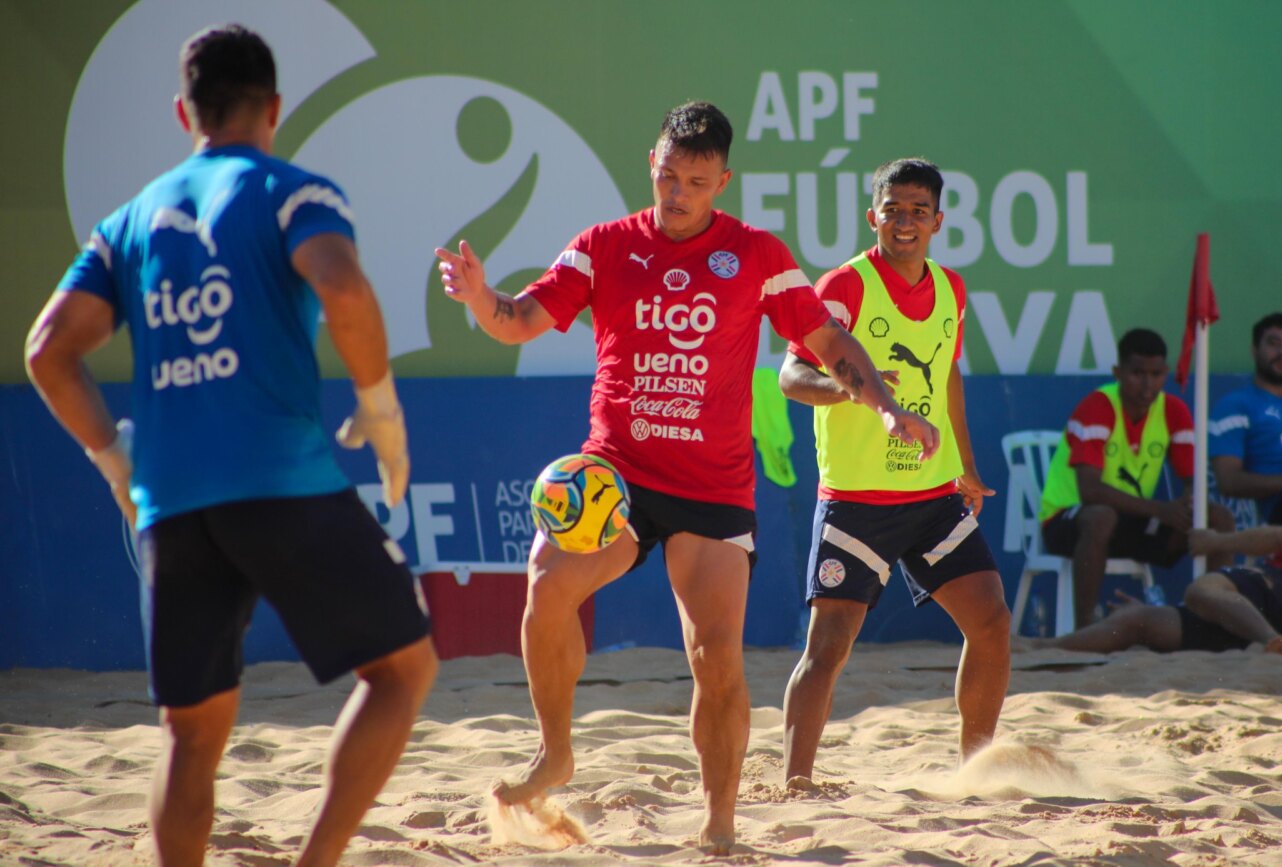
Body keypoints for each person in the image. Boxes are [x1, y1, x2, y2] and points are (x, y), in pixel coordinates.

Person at [435, 102, 937, 853]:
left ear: (721, 182)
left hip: (711, 488)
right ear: (652, 163)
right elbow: (520, 317)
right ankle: (555, 751)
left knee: (715, 656)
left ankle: (721, 821)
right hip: (618, 476)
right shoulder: (604, 246)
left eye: (695, 182)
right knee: (545, 580)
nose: (677, 193)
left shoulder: (758, 255)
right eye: (668, 176)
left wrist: (888, 407)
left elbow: (829, 338)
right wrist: (480, 299)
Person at [24, 25, 436, 867]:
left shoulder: (129, 220)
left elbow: (48, 351)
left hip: (172, 500)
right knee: (403, 671)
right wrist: (380, 404)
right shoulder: (290, 191)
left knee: (191, 735)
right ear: (275, 107)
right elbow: (343, 286)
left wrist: (112, 460)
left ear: (185, 112)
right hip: (281, 481)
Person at [778, 158, 1010, 784]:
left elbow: (947, 375)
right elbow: (790, 376)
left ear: (938, 220)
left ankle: (976, 772)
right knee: (827, 650)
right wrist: (853, 390)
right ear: (871, 215)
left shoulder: (952, 289)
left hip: (932, 494)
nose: (904, 222)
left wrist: (964, 464)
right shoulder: (846, 286)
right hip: (857, 500)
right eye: (893, 209)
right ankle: (795, 783)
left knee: (990, 622)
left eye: (918, 211)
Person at [1038, 328, 1235, 627]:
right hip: (1067, 521)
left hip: (1128, 521)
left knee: (1217, 518)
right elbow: (1090, 491)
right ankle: (1085, 629)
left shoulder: (1173, 410)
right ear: (1118, 371)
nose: (1147, 384)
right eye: (1137, 373)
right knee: (1101, 516)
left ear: (1166, 373)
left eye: (1156, 374)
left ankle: (1216, 622)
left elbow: (1192, 479)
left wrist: (1191, 503)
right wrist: (1161, 510)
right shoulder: (1098, 406)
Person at [1022, 527, 1282, 657]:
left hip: (1278, 589)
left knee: (1201, 591)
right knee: (1139, 621)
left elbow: (1281, 538)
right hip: (1271, 622)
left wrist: (1216, 541)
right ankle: (1040, 648)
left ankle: (1273, 641)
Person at [1209, 312, 1282, 527]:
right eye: (1274, 343)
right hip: (1281, 511)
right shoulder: (1235, 406)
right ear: (1254, 350)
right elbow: (1229, 482)